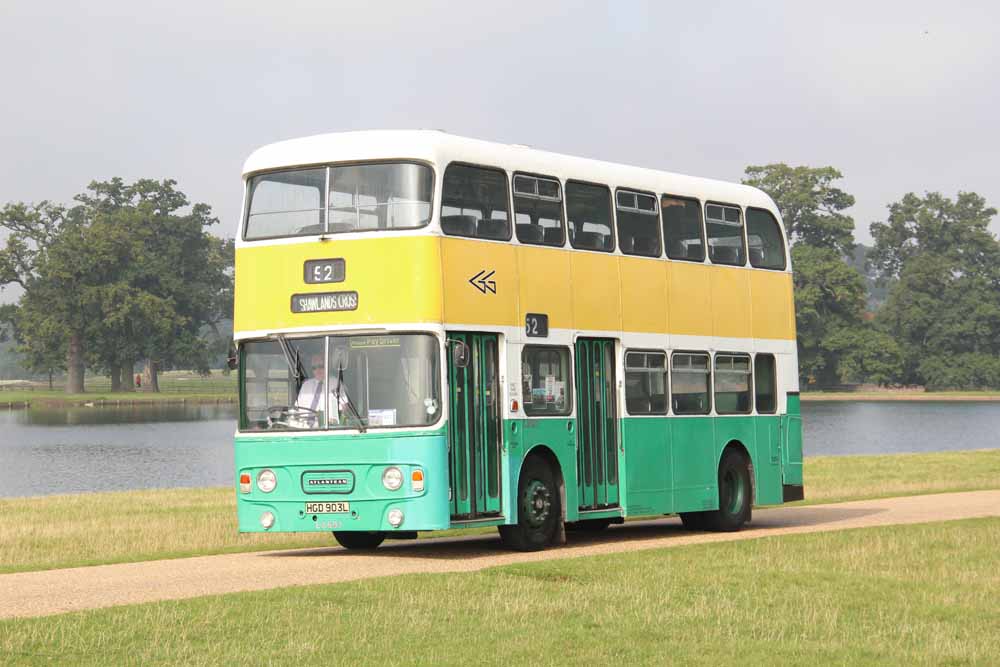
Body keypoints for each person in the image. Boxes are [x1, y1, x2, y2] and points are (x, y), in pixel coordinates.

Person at [294, 354, 350, 425]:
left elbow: (344, 407)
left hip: (328, 427)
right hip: (304, 428)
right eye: (314, 368)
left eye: (321, 366)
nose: (317, 370)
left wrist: (337, 420)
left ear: (327, 366)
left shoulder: (336, 383)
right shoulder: (306, 385)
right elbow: (297, 408)